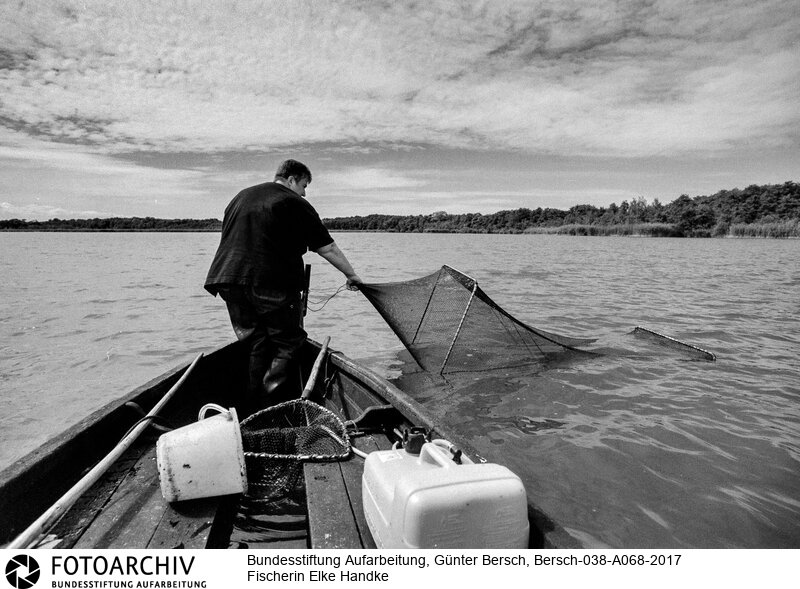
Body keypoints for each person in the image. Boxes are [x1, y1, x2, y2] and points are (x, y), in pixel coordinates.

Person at [205, 159, 362, 412]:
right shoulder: (293, 202)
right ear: (291, 179)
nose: (304, 192)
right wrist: (352, 275)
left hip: (227, 279)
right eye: (303, 184)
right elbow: (328, 247)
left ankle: (251, 409)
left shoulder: (240, 197)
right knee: (289, 342)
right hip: (268, 282)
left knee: (256, 343)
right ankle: (272, 411)